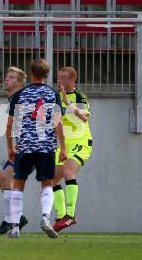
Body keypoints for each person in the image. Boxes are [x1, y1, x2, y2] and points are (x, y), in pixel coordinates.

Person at [6, 58, 67, 238]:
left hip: (25, 146)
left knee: (18, 184)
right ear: (47, 75)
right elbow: (58, 122)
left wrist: (10, 147)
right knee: (47, 183)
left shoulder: (19, 95)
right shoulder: (52, 94)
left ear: (31, 74)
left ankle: (15, 227)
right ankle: (46, 218)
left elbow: (10, 124)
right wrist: (63, 147)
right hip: (46, 146)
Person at [52, 67, 93, 232]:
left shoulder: (78, 96)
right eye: (58, 78)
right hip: (64, 143)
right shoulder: (55, 98)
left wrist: (67, 102)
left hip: (80, 141)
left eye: (62, 78)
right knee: (51, 180)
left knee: (69, 172)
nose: (59, 81)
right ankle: (61, 217)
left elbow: (83, 117)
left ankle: (70, 215)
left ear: (72, 80)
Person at [0, 67, 29, 235]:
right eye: (6, 76)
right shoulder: (14, 99)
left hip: (30, 146)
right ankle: (18, 217)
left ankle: (11, 220)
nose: (6, 79)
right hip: (22, 145)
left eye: (12, 77)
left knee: (6, 179)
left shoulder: (20, 98)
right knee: (2, 180)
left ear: (20, 83)